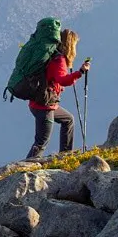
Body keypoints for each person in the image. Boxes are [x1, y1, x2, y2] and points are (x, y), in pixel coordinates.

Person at [26, 29, 90, 159]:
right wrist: (80, 72)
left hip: (42, 103)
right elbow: (63, 80)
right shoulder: (59, 59)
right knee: (41, 141)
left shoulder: (52, 56)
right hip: (44, 106)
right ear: (70, 44)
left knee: (68, 120)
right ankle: (23, 169)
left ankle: (65, 156)